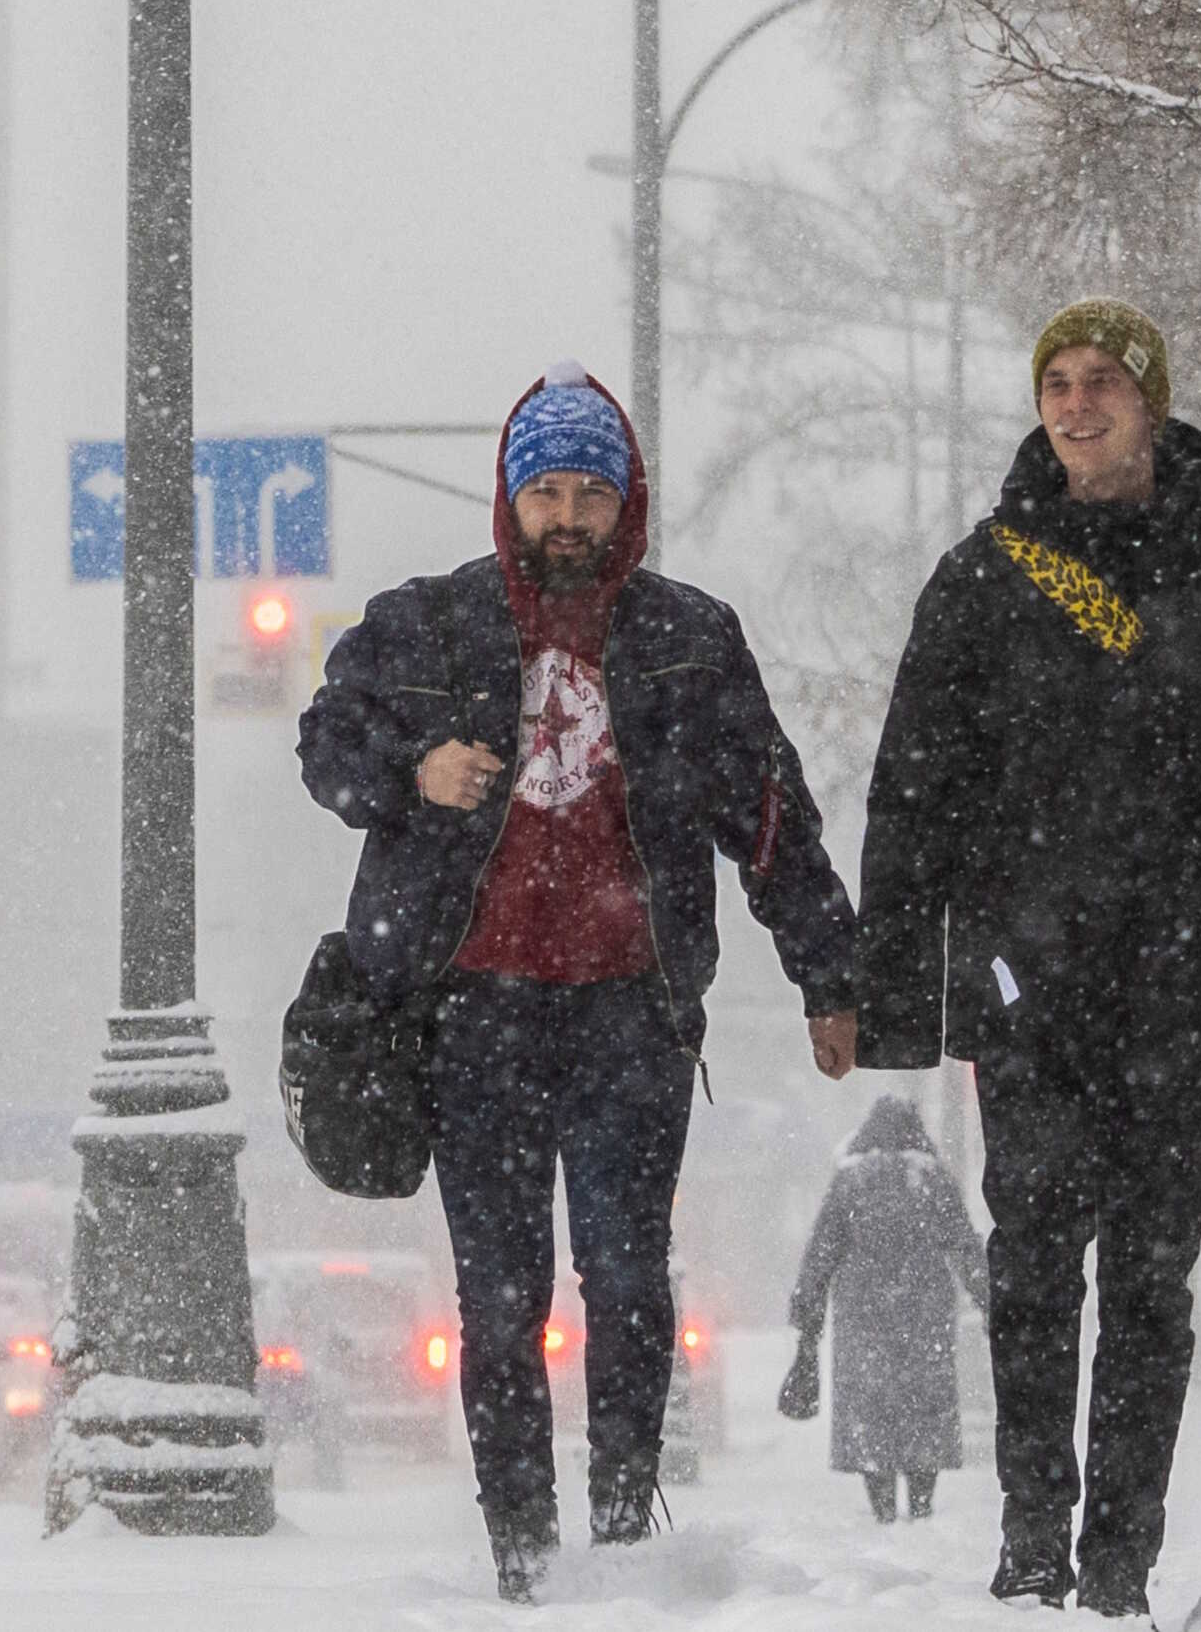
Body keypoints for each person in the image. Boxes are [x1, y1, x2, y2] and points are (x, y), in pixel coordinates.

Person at [298, 361, 859, 1605]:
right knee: (498, 1296)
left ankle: (621, 1516)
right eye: (544, 488)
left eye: (588, 493)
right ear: (507, 498)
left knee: (625, 1272)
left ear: (627, 504)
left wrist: (830, 973)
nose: (566, 514)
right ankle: (519, 1546)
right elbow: (324, 741)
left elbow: (771, 822)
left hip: (629, 1013)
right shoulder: (427, 625)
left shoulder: (686, 640)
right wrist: (410, 767)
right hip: (472, 1012)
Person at [855, 300, 1201, 1619]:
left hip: (1187, 969)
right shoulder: (984, 577)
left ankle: (1118, 1563)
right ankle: (1033, 1546)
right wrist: (903, 995)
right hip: (1028, 968)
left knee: (1150, 1276)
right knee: (1031, 1256)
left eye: (1102, 383)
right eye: (1058, 384)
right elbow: (913, 789)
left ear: (1152, 400)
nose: (1077, 405)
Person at [786, 1094, 987, 1524]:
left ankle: (882, 1506)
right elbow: (964, 1245)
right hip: (925, 1310)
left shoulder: (851, 1180)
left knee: (871, 1410)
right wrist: (991, 1300)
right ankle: (921, 1503)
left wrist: (808, 1314)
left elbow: (822, 1252)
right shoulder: (932, 1177)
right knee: (923, 1407)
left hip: (864, 1313)